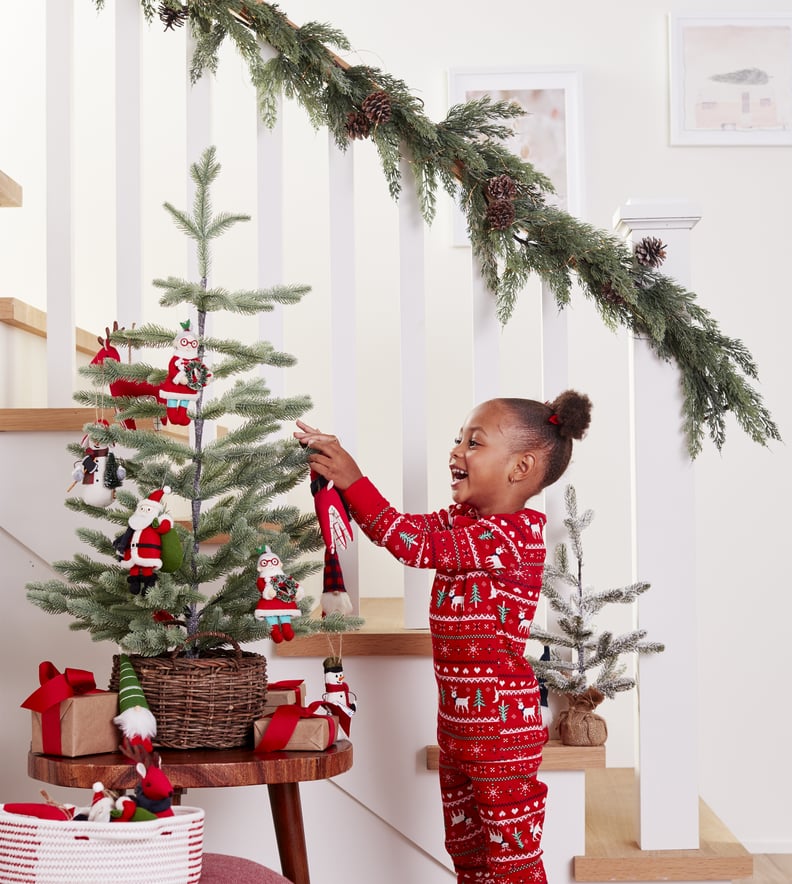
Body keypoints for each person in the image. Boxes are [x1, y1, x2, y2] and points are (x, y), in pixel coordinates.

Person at [294, 390, 592, 884]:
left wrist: (354, 477)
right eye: (458, 440)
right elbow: (399, 530)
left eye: (474, 443)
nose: (456, 452)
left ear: (521, 468)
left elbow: (409, 543)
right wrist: (339, 481)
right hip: (456, 728)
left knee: (511, 861)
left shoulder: (512, 536)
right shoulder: (462, 522)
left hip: (501, 735)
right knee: (467, 853)